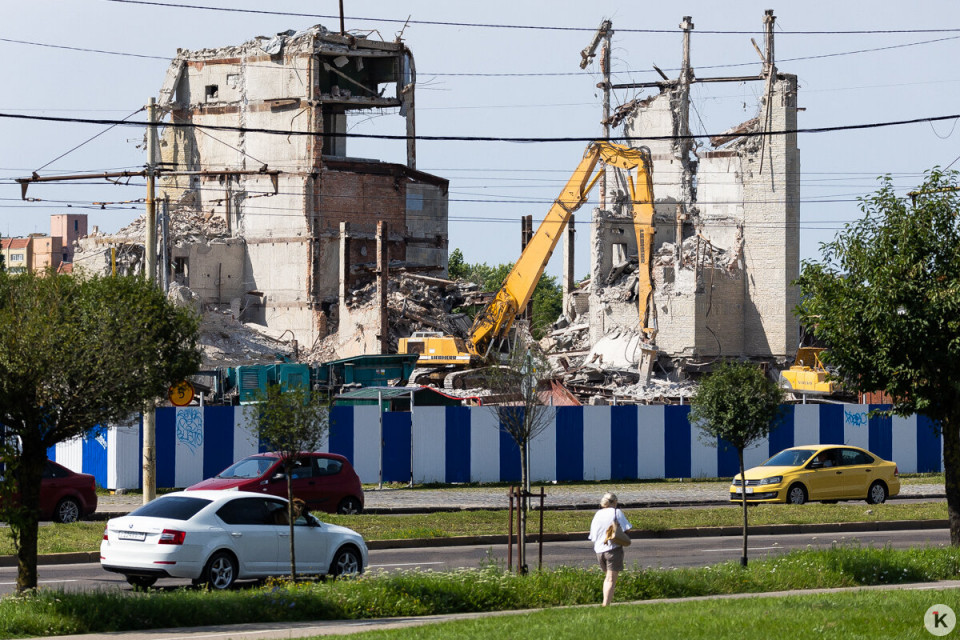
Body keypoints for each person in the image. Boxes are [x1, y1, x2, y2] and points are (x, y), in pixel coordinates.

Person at [588, 492, 632, 606]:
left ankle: (605, 603)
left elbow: (592, 535)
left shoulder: (597, 514)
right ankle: (605, 605)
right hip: (613, 549)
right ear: (614, 502)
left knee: (607, 577)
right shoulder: (616, 512)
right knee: (611, 579)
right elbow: (627, 529)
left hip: (599, 550)